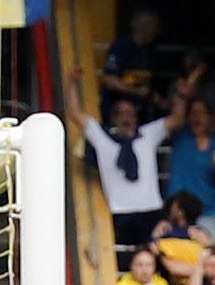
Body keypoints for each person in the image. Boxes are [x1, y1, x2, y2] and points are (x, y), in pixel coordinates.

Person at [67, 68, 185, 251]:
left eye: (130, 112)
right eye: (121, 113)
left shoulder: (148, 134)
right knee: (125, 259)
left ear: (136, 117)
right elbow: (75, 113)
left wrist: (181, 95)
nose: (126, 117)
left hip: (151, 210)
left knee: (155, 255)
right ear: (114, 118)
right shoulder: (102, 137)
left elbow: (176, 120)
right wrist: (71, 83)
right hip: (120, 213)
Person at [165, 97, 215, 242]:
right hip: (178, 213)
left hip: (206, 213)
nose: (197, 117)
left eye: (202, 113)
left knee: (211, 253)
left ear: (209, 117)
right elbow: (176, 113)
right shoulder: (180, 136)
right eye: (193, 113)